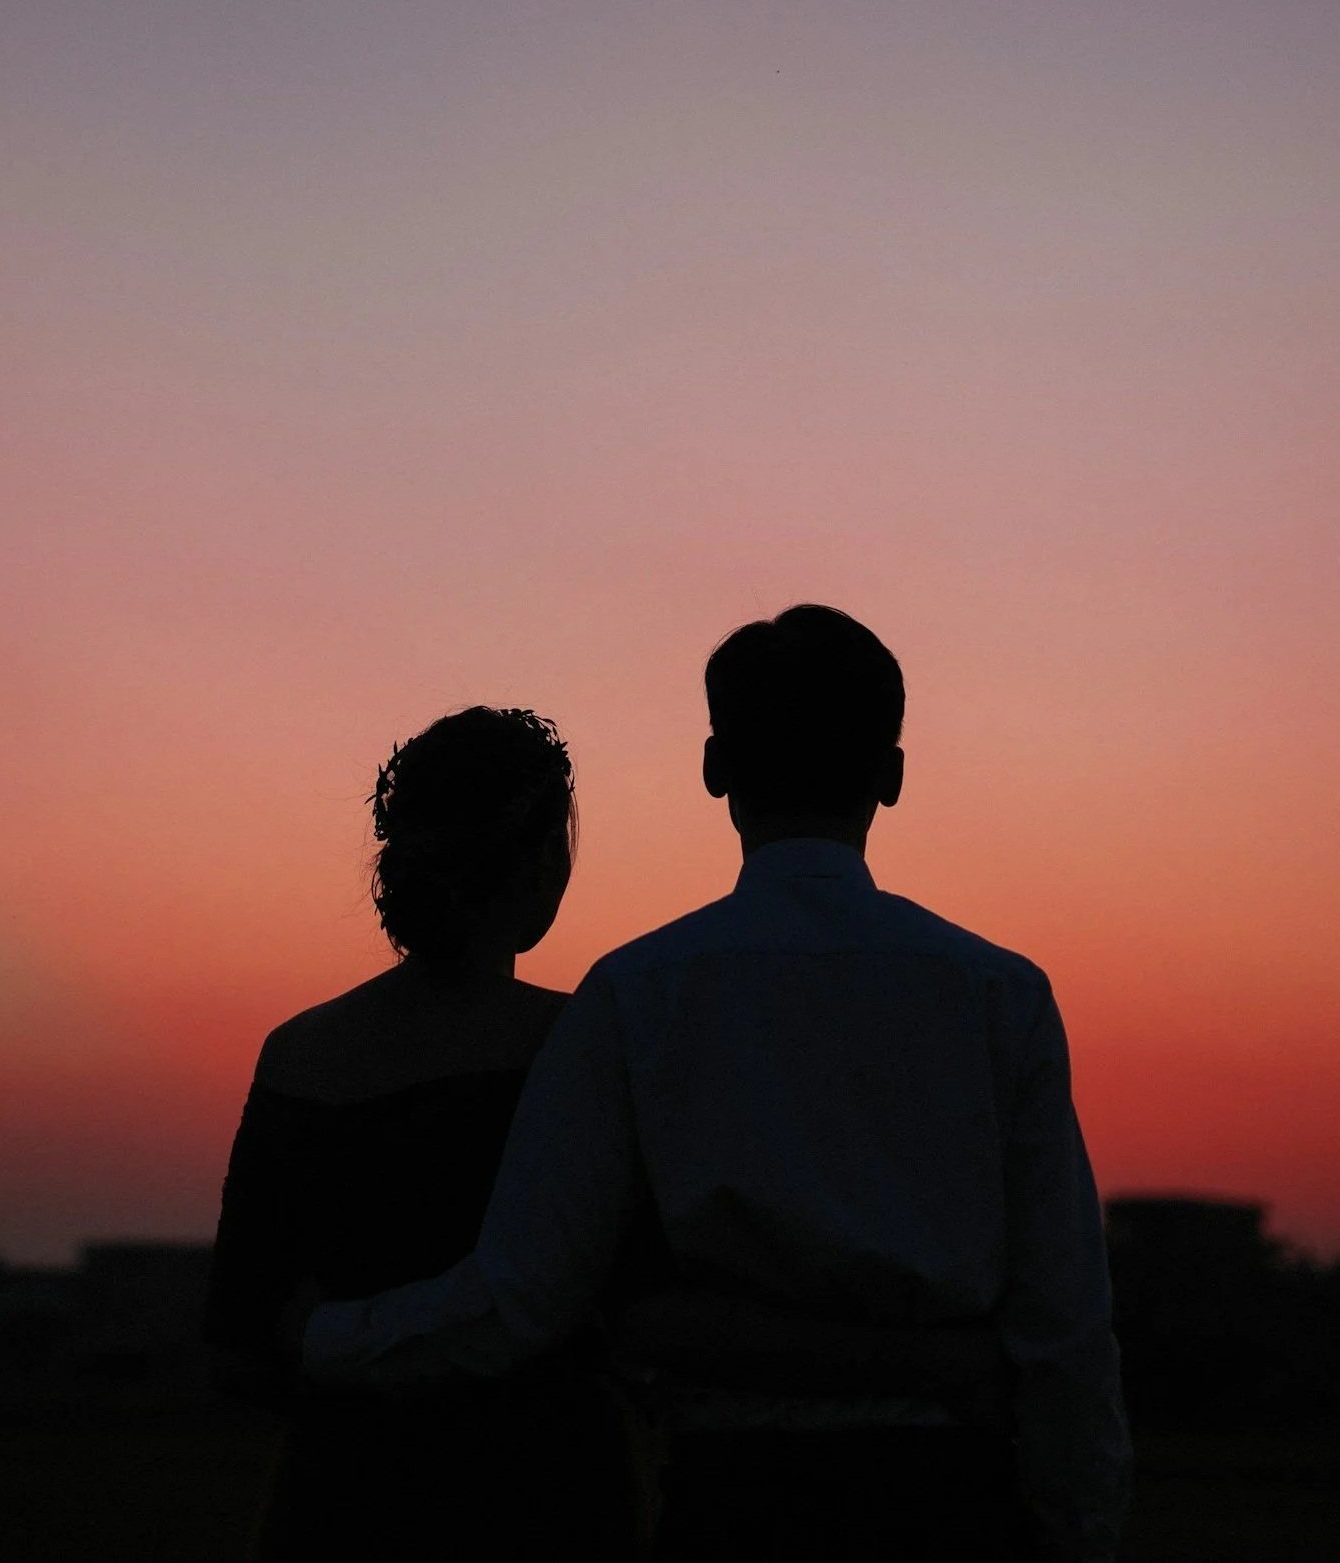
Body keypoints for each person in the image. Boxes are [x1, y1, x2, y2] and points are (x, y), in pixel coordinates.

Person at [300, 608, 1132, 1562]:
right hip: (949, 1497)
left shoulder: (634, 994)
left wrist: (324, 1336)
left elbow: (522, 1292)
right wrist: (1081, 1528)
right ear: (891, 774)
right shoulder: (999, 994)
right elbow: (1066, 1320)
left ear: (713, 767)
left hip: (736, 1502)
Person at [204, 706, 639, 1559]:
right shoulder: (585, 1044)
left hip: (342, 1502)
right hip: (549, 1503)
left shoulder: (299, 1053)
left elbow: (240, 1351)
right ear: (543, 856)